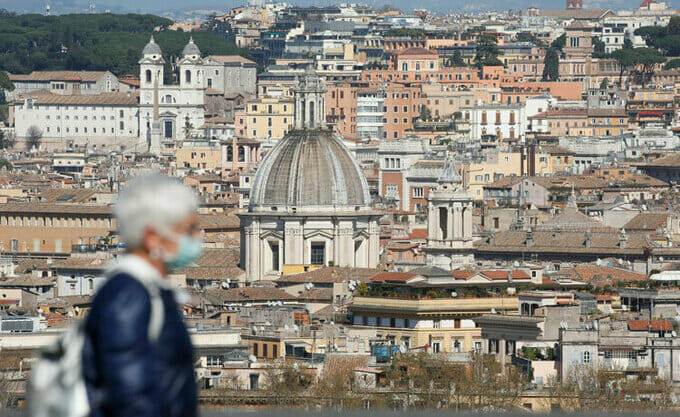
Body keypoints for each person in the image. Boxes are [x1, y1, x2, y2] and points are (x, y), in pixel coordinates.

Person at [82, 175, 202, 417]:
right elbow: (129, 397)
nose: (199, 236)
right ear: (152, 237)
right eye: (188, 229)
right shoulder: (128, 296)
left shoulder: (146, 291)